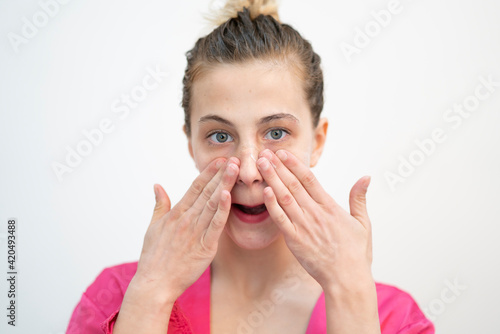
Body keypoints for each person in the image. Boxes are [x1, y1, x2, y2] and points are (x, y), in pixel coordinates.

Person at [66, 1, 435, 333]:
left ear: (317, 141)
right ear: (190, 143)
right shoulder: (117, 297)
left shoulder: (395, 319)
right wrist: (152, 294)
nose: (246, 171)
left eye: (276, 132)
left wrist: (349, 290)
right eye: (220, 136)